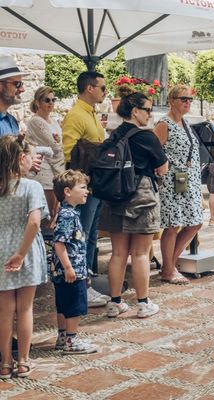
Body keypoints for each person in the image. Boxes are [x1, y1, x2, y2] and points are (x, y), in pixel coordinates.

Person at [100, 87, 168, 317]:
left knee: (118, 252)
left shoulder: (113, 134)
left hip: (116, 195)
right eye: (147, 110)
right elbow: (162, 167)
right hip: (141, 195)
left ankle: (115, 302)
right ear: (135, 110)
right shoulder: (146, 136)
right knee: (140, 252)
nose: (150, 115)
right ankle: (143, 303)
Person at [0, 136, 48, 378]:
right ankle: (24, 361)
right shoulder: (32, 187)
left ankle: (5, 363)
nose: (33, 160)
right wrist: (20, 253)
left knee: (5, 311)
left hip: (1, 250)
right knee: (26, 308)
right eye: (31, 156)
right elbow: (35, 221)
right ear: (21, 158)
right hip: (25, 250)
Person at [61, 71, 110, 308]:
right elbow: (69, 154)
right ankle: (83, 283)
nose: (105, 92)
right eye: (102, 87)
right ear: (90, 88)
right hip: (85, 185)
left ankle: (87, 279)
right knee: (82, 235)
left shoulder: (90, 113)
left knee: (91, 234)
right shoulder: (76, 115)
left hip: (95, 183)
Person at [154, 85, 202, 285]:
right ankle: (168, 269)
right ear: (171, 100)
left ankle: (169, 266)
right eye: (183, 99)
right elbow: (154, 151)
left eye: (190, 99)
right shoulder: (164, 123)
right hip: (173, 179)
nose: (187, 102)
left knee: (195, 222)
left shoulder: (185, 122)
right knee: (173, 224)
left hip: (188, 179)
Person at [50, 170, 98, 354]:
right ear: (68, 191)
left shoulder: (66, 212)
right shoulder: (68, 215)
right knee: (74, 305)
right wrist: (69, 267)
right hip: (71, 270)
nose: (87, 191)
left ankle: (62, 336)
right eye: (83, 188)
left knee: (63, 303)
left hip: (62, 270)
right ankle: (71, 339)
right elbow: (59, 243)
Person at [25, 87, 65, 230]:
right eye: (46, 100)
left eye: (53, 100)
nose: (51, 103)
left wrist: (57, 145)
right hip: (42, 170)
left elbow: (59, 144)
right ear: (37, 102)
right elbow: (55, 145)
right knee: (46, 216)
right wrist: (57, 146)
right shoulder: (36, 121)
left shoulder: (53, 121)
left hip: (56, 168)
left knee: (55, 214)